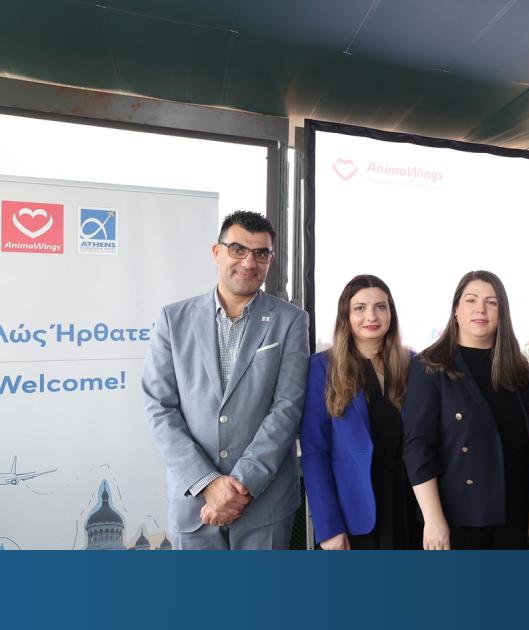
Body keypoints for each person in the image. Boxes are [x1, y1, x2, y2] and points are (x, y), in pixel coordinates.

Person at [142, 211, 309, 550]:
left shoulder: (291, 321)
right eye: (238, 249)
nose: (249, 262)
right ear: (216, 252)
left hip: (265, 503)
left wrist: (241, 485)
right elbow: (160, 407)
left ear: (271, 259)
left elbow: (287, 408)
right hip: (194, 502)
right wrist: (208, 483)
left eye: (261, 253)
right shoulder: (173, 319)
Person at [402, 270, 529, 550]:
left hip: (512, 515)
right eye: (471, 300)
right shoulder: (429, 367)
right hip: (456, 518)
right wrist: (433, 519)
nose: (481, 309)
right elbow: (418, 448)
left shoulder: (518, 370)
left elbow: (528, 447)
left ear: (502, 312)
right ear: (456, 310)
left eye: (491, 302)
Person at [300, 275, 420, 550]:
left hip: (410, 506)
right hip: (353, 512)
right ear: (346, 315)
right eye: (360, 308)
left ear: (391, 313)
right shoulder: (321, 368)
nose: (371, 316)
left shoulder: (413, 364)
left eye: (380, 307)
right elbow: (315, 452)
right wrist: (329, 527)